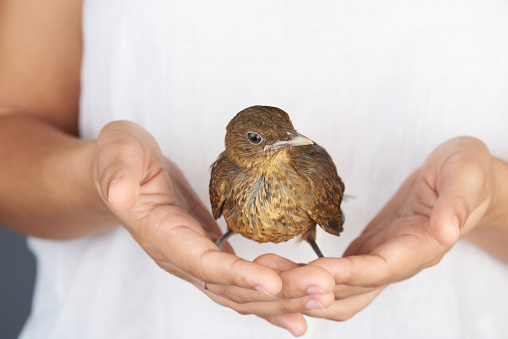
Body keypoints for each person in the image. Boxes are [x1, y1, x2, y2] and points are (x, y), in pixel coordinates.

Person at [1, 0, 507, 338]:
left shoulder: (309, 174)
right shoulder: (226, 177)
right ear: (239, 146)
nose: (288, 143)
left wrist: (487, 200)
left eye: (286, 134)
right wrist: (101, 179)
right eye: (264, 139)